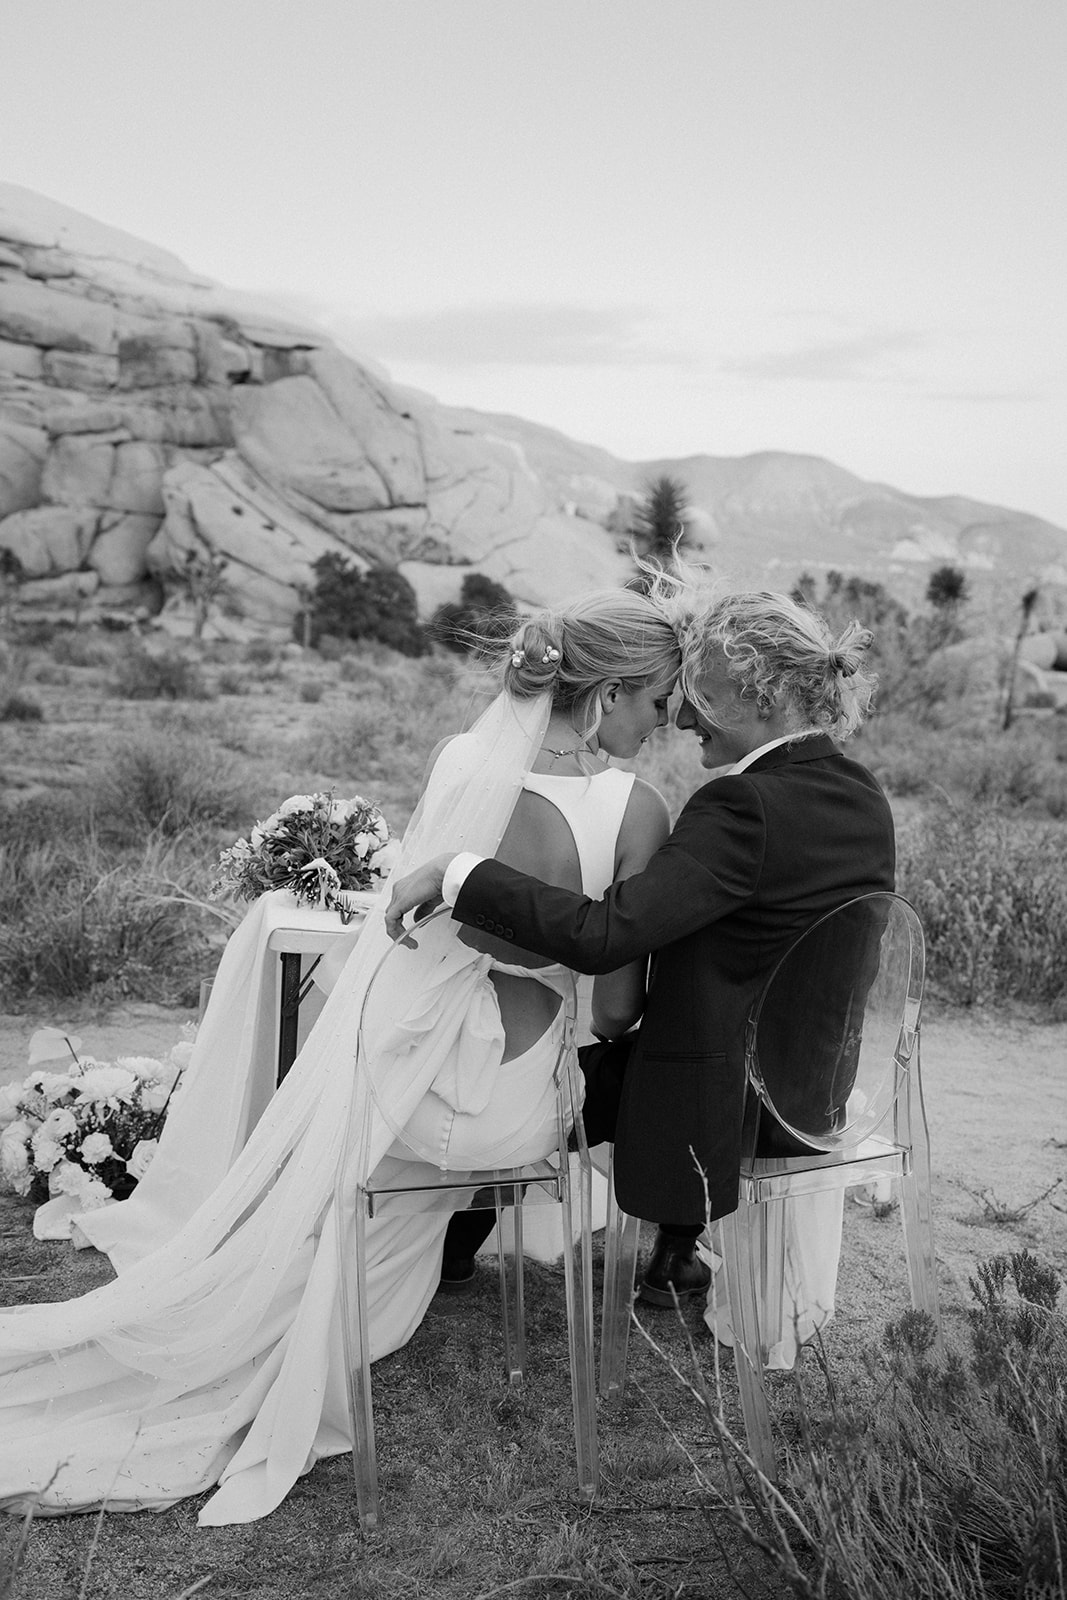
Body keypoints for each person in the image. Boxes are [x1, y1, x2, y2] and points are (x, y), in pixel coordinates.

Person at [0, 587, 683, 1524]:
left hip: (409, 1090)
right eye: (656, 705)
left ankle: (319, 1266)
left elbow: (410, 943)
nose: (663, 727)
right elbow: (614, 1011)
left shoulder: (469, 765)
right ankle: (403, 1261)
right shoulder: (641, 812)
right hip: (514, 1115)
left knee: (347, 1148)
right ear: (607, 695)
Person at [386, 590, 895, 1328]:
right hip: (810, 1088)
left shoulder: (743, 806)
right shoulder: (860, 793)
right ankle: (671, 1253)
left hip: (727, 1104)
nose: (682, 719)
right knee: (623, 1042)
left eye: (702, 699)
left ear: (761, 698)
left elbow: (603, 936)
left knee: (541, 1083)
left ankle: (451, 1246)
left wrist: (458, 874)